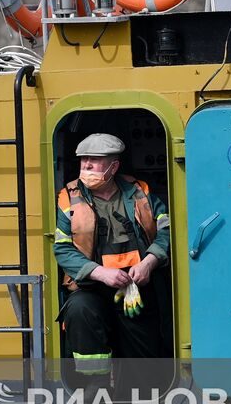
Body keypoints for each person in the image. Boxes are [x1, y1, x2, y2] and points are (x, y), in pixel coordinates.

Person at [53, 133, 172, 386]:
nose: (86, 165)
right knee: (80, 310)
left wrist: (150, 262)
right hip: (93, 287)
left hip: (138, 287)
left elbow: (167, 230)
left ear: (113, 166)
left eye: (94, 160)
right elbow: (63, 249)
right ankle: (93, 387)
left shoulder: (140, 192)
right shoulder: (68, 199)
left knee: (144, 358)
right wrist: (100, 273)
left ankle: (142, 395)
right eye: (83, 159)